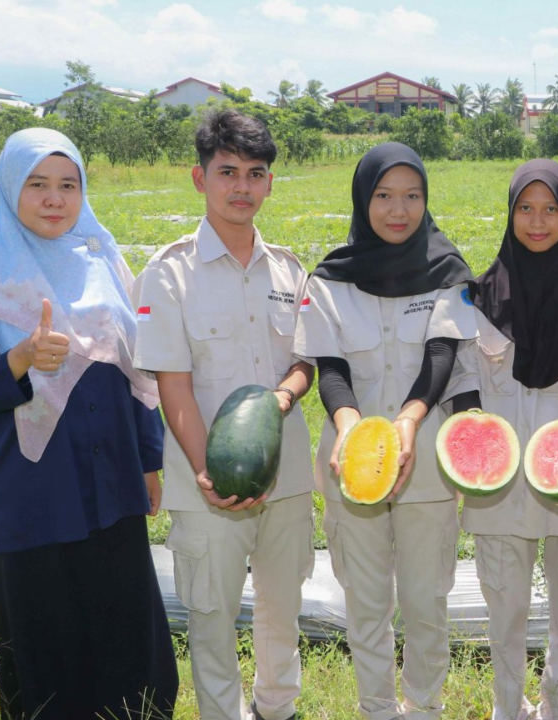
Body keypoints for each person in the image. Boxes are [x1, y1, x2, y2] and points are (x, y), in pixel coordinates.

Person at [0, 127, 178, 719]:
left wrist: (150, 460)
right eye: (37, 184)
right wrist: (18, 360)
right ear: (10, 189)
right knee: (47, 613)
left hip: (115, 472)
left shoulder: (104, 258)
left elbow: (137, 374)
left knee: (120, 608)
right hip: (36, 482)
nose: (54, 199)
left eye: (68, 185)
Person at [132, 109, 316, 720]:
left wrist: (282, 396)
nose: (242, 187)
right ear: (199, 177)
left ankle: (277, 709)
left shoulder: (289, 269)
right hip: (202, 481)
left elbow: (305, 362)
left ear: (269, 183)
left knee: (281, 608)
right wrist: (207, 469)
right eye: (227, 171)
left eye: (255, 173)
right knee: (211, 616)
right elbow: (172, 385)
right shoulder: (169, 272)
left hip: (285, 478)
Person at [294, 142, 477, 720]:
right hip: (351, 462)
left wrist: (408, 419)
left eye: (412, 196)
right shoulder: (331, 278)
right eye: (384, 197)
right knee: (366, 601)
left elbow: (441, 355)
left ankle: (424, 708)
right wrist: (348, 425)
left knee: (426, 601)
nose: (399, 210)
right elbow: (332, 371)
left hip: (424, 458)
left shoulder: (447, 270)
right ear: (362, 198)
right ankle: (376, 709)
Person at [457, 159, 558, 720]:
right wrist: (472, 456)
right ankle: (507, 707)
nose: (538, 221)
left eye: (551, 209)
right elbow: (464, 382)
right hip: (498, 485)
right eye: (526, 208)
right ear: (511, 213)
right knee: (504, 603)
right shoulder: (480, 297)